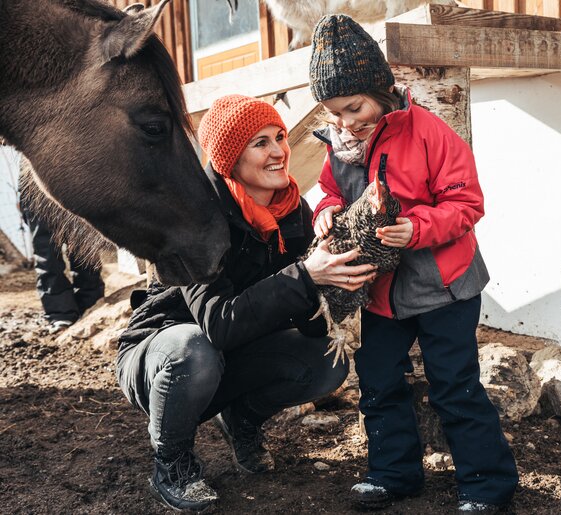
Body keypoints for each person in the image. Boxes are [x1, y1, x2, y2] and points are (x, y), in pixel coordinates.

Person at [115, 95, 376, 512]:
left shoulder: (294, 211)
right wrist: (306, 275)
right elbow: (218, 324)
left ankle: (242, 419)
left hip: (232, 353)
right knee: (194, 351)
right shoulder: (195, 217)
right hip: (162, 356)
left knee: (327, 362)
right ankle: (173, 463)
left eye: (278, 137)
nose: (279, 152)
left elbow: (302, 319)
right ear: (230, 158)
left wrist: (335, 285)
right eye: (260, 143)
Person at [308, 15, 519, 513]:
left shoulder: (429, 132)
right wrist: (325, 214)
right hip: (380, 293)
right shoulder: (338, 147)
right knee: (378, 382)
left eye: (354, 107)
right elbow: (330, 193)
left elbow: (467, 203)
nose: (345, 123)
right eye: (333, 112)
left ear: (380, 90)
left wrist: (417, 229)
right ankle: (393, 473)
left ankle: (488, 485)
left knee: (454, 384)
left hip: (445, 288)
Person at [19, 192, 104, 332]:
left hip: (77, 184)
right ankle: (60, 314)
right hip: (36, 190)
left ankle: (91, 303)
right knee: (47, 253)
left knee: (84, 248)